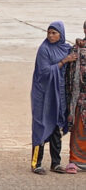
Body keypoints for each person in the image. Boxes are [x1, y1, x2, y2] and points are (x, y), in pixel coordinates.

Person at [30, 21, 76, 175]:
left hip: (59, 94)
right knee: (41, 127)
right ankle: (36, 163)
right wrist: (63, 62)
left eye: (54, 33)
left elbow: (76, 56)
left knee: (56, 126)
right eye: (48, 32)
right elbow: (44, 72)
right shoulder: (44, 49)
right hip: (43, 94)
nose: (50, 36)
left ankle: (55, 163)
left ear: (61, 34)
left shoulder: (65, 48)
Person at [65, 20, 86, 174]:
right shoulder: (76, 49)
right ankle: (76, 161)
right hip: (79, 96)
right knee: (79, 127)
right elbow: (69, 74)